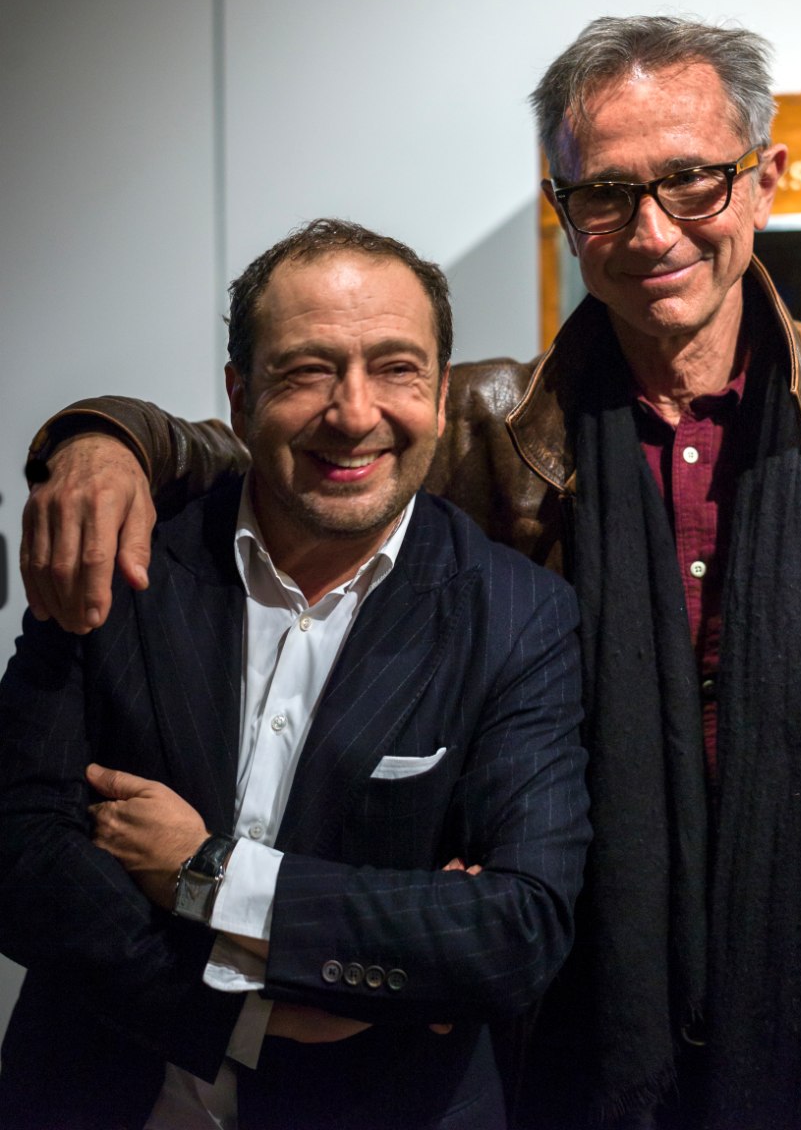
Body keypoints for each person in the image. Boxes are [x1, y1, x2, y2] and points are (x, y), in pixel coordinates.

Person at [16, 15, 801, 1129]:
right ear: (566, 210)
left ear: (766, 181)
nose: (652, 230)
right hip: (586, 1004)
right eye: (606, 194)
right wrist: (104, 439)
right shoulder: (495, 420)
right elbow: (284, 448)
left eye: (692, 180)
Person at [0, 219, 590, 1130]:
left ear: (440, 395)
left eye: (396, 369)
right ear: (239, 398)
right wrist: (238, 1014)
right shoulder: (124, 558)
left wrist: (207, 873)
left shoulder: (518, 615)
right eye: (307, 371)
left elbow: (517, 932)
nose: (353, 413)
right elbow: (18, 846)